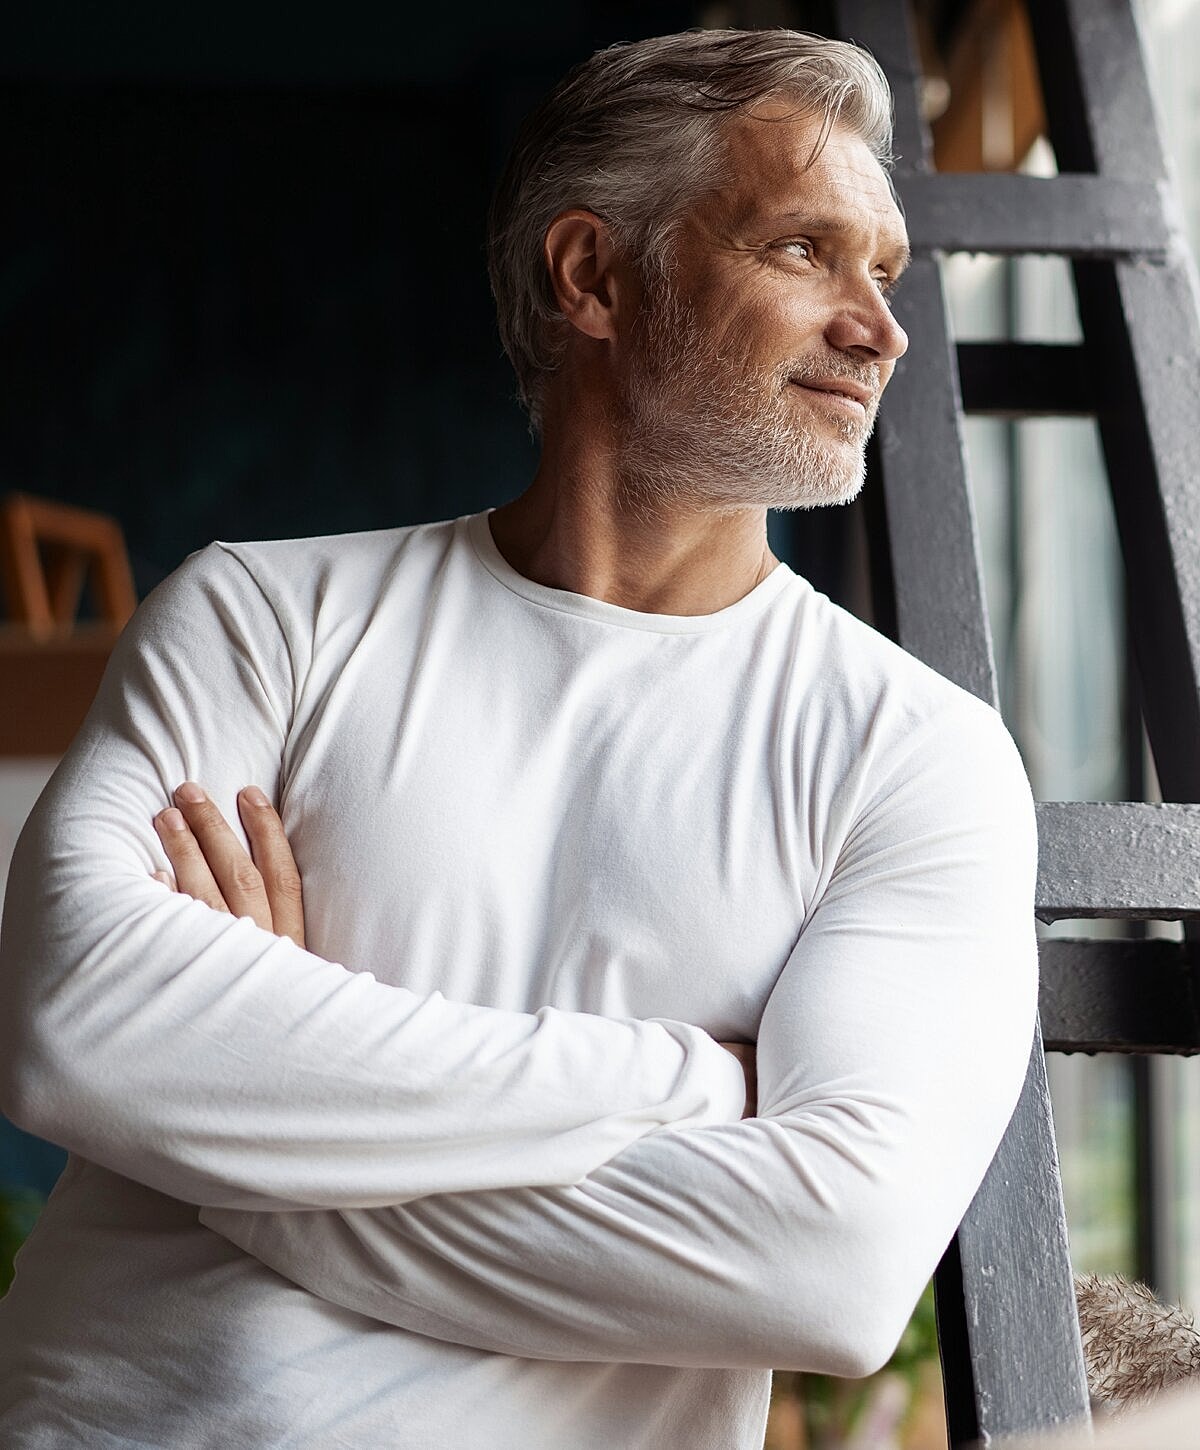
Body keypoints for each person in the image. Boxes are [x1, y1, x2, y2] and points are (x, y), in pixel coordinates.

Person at [0, 28, 1038, 1450]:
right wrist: (678, 1076)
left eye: (886, 269)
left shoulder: (916, 754)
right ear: (592, 275)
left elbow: (832, 1267)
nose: (879, 325)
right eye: (806, 250)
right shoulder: (261, 615)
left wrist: (251, 1148)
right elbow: (77, 1028)